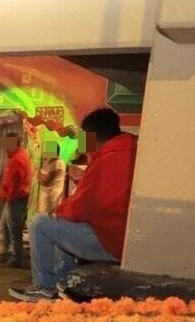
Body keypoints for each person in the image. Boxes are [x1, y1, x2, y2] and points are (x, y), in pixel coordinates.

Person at [9, 108, 137, 302]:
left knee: (40, 224)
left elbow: (81, 208)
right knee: (60, 224)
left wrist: (60, 210)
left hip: (111, 241)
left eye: (83, 137)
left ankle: (46, 287)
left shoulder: (108, 158)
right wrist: (84, 179)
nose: (81, 143)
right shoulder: (127, 150)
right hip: (119, 234)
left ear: (92, 136)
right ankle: (64, 283)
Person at [0, 133, 32, 267]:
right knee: (6, 226)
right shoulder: (17, 157)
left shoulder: (18, 160)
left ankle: (16, 258)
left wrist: (8, 196)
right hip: (13, 198)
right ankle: (5, 254)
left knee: (14, 228)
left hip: (16, 198)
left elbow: (15, 183)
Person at [36, 143, 66, 214]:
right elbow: (40, 177)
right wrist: (40, 175)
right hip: (45, 195)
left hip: (54, 197)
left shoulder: (58, 164)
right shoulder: (48, 161)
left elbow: (45, 181)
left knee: (51, 215)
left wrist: (39, 174)